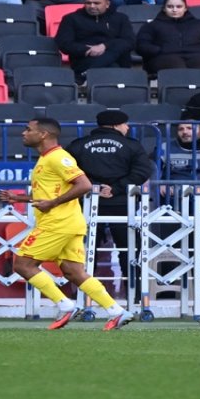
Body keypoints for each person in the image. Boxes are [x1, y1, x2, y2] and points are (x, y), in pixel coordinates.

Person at [0, 119, 133, 330]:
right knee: (73, 272)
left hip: (57, 223)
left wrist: (53, 203)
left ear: (43, 134)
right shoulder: (46, 159)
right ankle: (117, 311)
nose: (23, 133)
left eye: (28, 130)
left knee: (23, 265)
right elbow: (51, 192)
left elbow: (85, 185)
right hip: (69, 223)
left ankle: (65, 304)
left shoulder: (59, 158)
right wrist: (21, 199)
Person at [66, 109, 152, 293]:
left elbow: (67, 171)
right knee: (128, 249)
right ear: (116, 125)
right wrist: (116, 188)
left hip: (86, 202)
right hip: (121, 203)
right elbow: (143, 171)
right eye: (125, 124)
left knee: (86, 249)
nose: (127, 127)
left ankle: (83, 295)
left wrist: (93, 186)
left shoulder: (78, 145)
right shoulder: (131, 145)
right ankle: (134, 293)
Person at [54, 0, 135, 80]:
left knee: (116, 55)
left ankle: (84, 75)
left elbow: (130, 41)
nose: (92, 6)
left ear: (107, 4)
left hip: (117, 60)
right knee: (113, 66)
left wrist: (105, 46)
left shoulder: (121, 18)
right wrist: (88, 50)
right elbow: (64, 43)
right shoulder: (71, 19)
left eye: (97, 3)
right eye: (88, 3)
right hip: (85, 58)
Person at [134, 0, 200, 75]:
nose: (174, 10)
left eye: (179, 7)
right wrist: (159, 51)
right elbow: (142, 44)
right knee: (177, 70)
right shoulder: (151, 25)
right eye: (170, 7)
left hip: (197, 56)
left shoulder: (199, 24)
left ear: (185, 8)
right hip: (163, 57)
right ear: (164, 8)